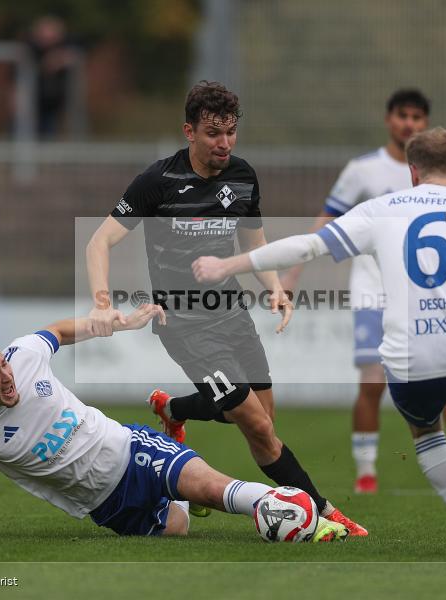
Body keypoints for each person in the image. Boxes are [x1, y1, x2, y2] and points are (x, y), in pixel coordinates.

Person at [192, 127, 446, 557]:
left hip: (409, 356)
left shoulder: (380, 210)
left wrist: (228, 262)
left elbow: (307, 247)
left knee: (427, 433)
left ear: (412, 172)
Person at [85, 80, 367, 536]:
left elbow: (255, 244)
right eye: (214, 133)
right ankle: (322, 512)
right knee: (254, 421)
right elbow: (100, 242)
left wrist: (274, 287)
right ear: (189, 131)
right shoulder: (158, 182)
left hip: (232, 314)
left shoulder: (243, 176)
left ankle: (176, 409)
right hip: (184, 325)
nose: (225, 143)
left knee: (264, 424)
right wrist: (101, 303)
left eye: (231, 132)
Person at [0, 304, 348, 542]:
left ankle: (303, 516)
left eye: (2, 367)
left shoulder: (22, 355)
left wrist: (117, 323)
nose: (6, 375)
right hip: (106, 504)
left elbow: (59, 332)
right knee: (180, 526)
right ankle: (177, 445)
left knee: (213, 489)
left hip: (129, 448)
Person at [280, 88, 446, 494]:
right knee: (372, 381)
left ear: (425, 124)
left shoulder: (439, 172)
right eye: (403, 116)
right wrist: (294, 273)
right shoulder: (363, 170)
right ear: (389, 120)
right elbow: (327, 221)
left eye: (418, 118)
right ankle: (366, 473)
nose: (410, 124)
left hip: (426, 293)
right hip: (372, 293)